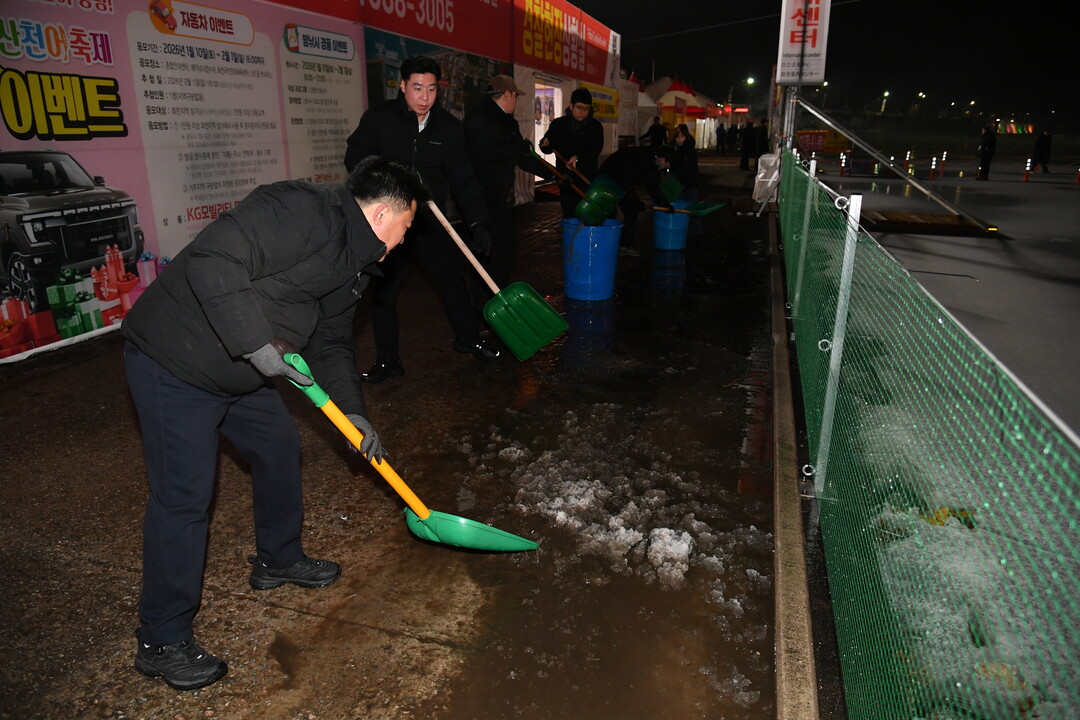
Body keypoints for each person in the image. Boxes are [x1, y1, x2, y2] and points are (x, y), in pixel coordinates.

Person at [122, 156, 427, 691]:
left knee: (280, 446)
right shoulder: (300, 209)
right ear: (383, 214)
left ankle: (278, 561)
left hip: (240, 372)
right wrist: (254, 343)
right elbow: (212, 258)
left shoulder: (357, 263)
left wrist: (352, 412)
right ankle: (161, 640)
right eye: (407, 225)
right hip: (176, 361)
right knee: (184, 498)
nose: (405, 239)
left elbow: (331, 342)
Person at [344, 55, 499, 383]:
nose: (424, 97)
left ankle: (469, 338)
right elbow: (355, 157)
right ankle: (388, 360)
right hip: (390, 222)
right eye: (417, 88)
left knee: (452, 282)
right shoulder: (380, 119)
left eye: (431, 89)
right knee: (383, 292)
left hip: (429, 221)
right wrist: (392, 177)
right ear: (402, 86)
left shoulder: (448, 127)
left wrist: (478, 223)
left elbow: (464, 179)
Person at [464, 74, 560, 289]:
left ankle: (494, 293)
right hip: (478, 199)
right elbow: (483, 153)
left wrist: (554, 175)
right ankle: (484, 297)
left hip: (497, 200)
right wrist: (517, 148)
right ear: (507, 94)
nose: (517, 101)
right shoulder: (477, 120)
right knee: (486, 251)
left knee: (505, 249)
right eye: (516, 96)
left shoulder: (509, 123)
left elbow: (523, 158)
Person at [593, 145, 674, 256]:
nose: (666, 167)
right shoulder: (642, 158)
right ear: (662, 158)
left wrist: (664, 203)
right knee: (610, 212)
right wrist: (635, 202)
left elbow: (653, 188)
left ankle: (623, 246)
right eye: (666, 164)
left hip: (621, 181)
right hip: (610, 177)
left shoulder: (654, 165)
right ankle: (601, 244)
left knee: (631, 211)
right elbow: (624, 180)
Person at [539, 87, 604, 218]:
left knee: (586, 216)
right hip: (565, 180)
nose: (583, 112)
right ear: (571, 106)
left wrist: (578, 158)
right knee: (569, 215)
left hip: (586, 179)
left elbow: (595, 149)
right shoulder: (558, 124)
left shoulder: (595, 127)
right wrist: (544, 144)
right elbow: (548, 147)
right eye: (579, 107)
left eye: (586, 108)